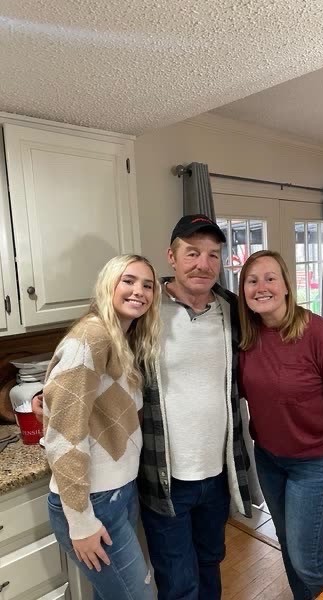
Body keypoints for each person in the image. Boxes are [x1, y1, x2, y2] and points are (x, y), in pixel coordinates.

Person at [137, 214, 252, 600]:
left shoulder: (233, 310)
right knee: (178, 581)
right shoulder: (144, 309)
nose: (203, 264)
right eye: (192, 253)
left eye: (212, 255)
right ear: (171, 256)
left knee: (210, 562)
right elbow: (98, 348)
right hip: (165, 476)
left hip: (218, 473)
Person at [238, 250, 323, 600]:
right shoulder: (246, 339)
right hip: (269, 460)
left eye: (270, 278)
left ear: (286, 286)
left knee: (309, 560)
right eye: (252, 281)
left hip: (315, 465)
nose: (261, 287)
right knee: (288, 546)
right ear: (243, 291)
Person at [43, 254, 160, 600]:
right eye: (128, 280)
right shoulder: (91, 337)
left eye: (147, 285)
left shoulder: (121, 337)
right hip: (93, 500)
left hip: (118, 492)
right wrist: (81, 523)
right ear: (108, 284)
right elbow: (63, 436)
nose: (139, 291)